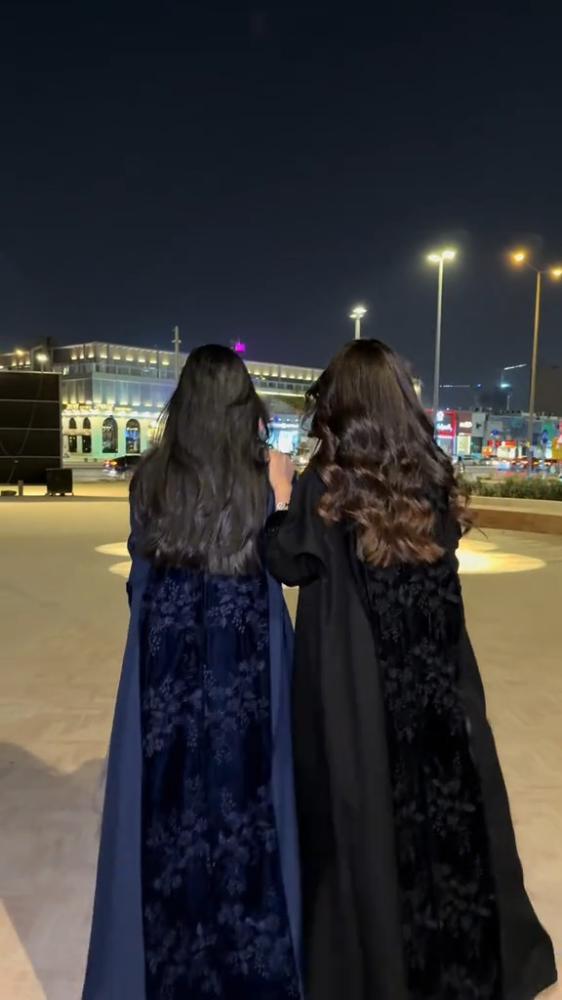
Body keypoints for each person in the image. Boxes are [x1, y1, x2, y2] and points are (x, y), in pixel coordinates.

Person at [265, 339, 557, 1000]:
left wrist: (279, 499)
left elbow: (286, 560)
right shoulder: (431, 474)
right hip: (438, 682)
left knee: (364, 822)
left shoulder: (327, 484)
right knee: (446, 813)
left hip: (359, 691)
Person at [83, 345, 302, 1000]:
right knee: (251, 806)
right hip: (247, 666)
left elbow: (139, 583)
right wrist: (282, 501)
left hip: (165, 669)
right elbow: (289, 564)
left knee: (167, 809)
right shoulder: (262, 477)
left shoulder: (151, 479)